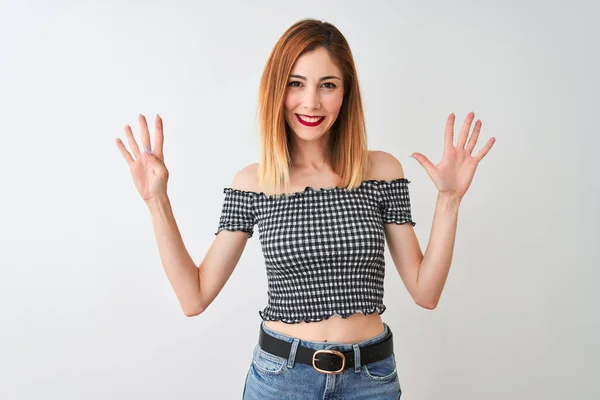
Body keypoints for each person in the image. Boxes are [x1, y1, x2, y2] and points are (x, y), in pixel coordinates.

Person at [115, 18, 495, 400]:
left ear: (346, 93)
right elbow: (193, 297)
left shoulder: (381, 171)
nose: (311, 101)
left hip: (370, 382)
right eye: (296, 83)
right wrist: (156, 201)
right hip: (282, 380)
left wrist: (449, 200)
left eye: (327, 85)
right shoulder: (254, 182)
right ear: (276, 90)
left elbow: (425, 292)